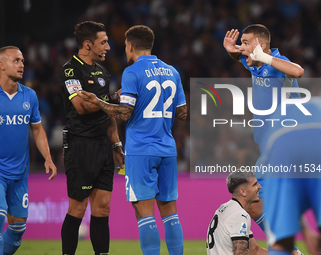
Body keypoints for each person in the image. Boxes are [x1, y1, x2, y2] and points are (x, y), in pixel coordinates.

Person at [76, 25, 187, 255]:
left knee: (144, 213)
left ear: (131, 46)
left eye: (125, 46)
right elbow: (183, 112)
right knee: (170, 213)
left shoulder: (132, 72)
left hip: (141, 150)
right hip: (167, 148)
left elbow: (125, 114)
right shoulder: (172, 71)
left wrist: (99, 102)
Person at [223, 24, 307, 254]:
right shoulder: (256, 63)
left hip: (286, 148)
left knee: (252, 198)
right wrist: (232, 50)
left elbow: (298, 71)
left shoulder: (277, 64)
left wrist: (263, 57)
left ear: (261, 47)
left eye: (246, 43)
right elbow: (242, 56)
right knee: (254, 205)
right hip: (270, 150)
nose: (242, 48)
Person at [59, 21, 124, 255]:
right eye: (103, 42)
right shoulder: (70, 70)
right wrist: (113, 98)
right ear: (88, 44)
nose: (108, 46)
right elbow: (81, 107)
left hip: (103, 146)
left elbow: (107, 112)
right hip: (80, 144)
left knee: (103, 208)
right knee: (78, 208)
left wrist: (116, 143)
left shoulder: (102, 71)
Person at [259, 97, 321, 255]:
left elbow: (291, 202)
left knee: (281, 242)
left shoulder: (277, 115)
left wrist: (305, 231)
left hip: (280, 143)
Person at [0, 46, 57, 255]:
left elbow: (37, 129)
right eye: (16, 60)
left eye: (23, 60)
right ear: (1, 65)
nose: (22, 64)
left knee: (17, 229)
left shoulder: (30, 96)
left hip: (20, 173)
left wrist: (48, 158)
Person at [206, 170, 267, 255]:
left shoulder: (227, 208)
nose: (259, 186)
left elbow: (254, 250)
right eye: (255, 184)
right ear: (243, 192)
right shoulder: (239, 215)